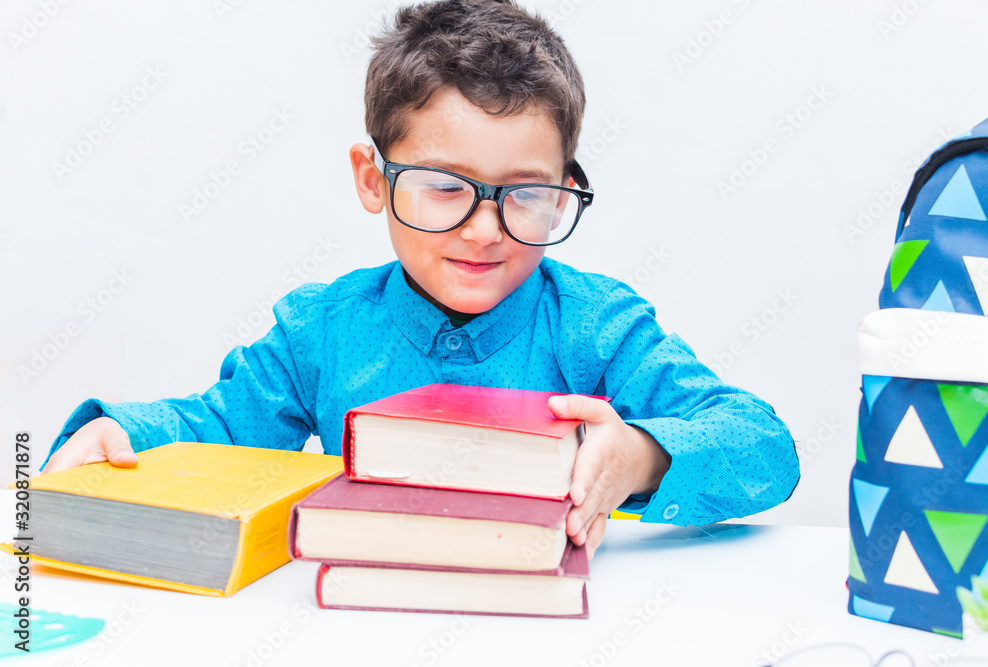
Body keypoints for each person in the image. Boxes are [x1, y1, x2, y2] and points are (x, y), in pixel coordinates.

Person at [42, 0, 799, 558]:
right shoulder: (320, 328)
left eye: (526, 194)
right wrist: (124, 431)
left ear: (565, 185)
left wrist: (639, 454)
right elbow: (219, 427)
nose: (484, 229)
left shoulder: (598, 325)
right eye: (444, 186)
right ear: (373, 179)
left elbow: (765, 445)